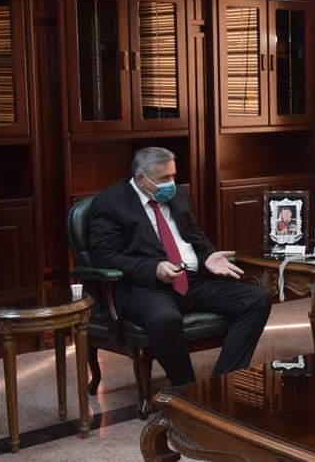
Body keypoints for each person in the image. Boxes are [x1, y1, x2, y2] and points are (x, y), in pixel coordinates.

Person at [89, 147, 272, 386]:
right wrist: (153, 269)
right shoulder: (111, 202)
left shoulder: (177, 195)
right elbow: (104, 257)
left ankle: (223, 381)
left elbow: (194, 234)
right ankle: (187, 389)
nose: (171, 184)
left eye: (173, 176)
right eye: (165, 178)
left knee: (257, 300)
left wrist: (208, 256)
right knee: (164, 318)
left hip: (191, 280)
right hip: (144, 287)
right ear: (142, 179)